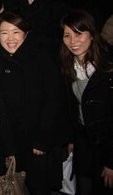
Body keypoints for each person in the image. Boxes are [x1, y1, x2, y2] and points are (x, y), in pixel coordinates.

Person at [0, 11, 66, 194]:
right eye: (4, 33)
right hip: (16, 141)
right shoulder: (0, 63)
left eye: (16, 32)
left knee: (40, 185)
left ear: (25, 33)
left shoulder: (41, 57)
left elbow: (54, 99)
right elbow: (0, 107)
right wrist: (8, 146)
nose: (10, 38)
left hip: (40, 142)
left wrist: (42, 140)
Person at [60, 10, 113, 194]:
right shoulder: (69, 67)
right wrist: (72, 139)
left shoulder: (107, 68)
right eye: (67, 35)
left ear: (91, 34)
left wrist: (111, 162)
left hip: (106, 146)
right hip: (83, 143)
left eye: (78, 33)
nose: (72, 41)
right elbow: (72, 108)